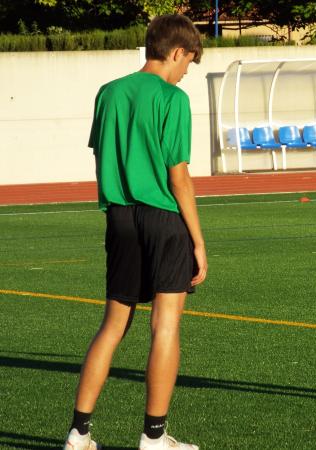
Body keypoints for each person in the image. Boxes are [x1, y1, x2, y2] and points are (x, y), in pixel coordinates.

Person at [63, 14, 207, 449]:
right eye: (188, 63)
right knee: (165, 327)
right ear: (177, 52)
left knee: (112, 326)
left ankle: (79, 434)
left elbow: (102, 154)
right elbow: (178, 176)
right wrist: (198, 241)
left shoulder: (108, 93)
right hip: (164, 219)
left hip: (119, 218)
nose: (185, 73)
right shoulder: (172, 99)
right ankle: (154, 437)